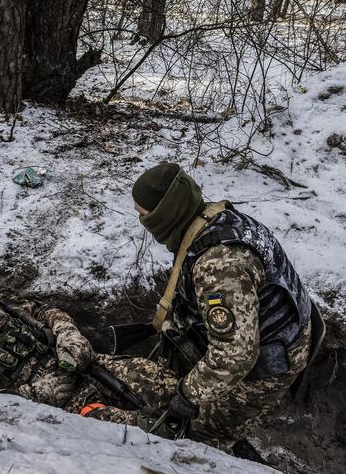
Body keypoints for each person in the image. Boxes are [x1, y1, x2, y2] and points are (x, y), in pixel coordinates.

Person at [132, 162, 315, 453]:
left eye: (144, 216)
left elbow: (236, 355)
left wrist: (189, 394)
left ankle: (229, 448)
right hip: (273, 334)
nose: (140, 221)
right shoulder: (213, 220)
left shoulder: (219, 267)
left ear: (165, 214)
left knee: (198, 439)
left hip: (267, 363)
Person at [0, 260, 178, 426]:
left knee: (161, 383)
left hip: (85, 367)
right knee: (143, 432)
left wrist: (67, 333)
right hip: (61, 408)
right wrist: (32, 395)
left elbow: (45, 311)